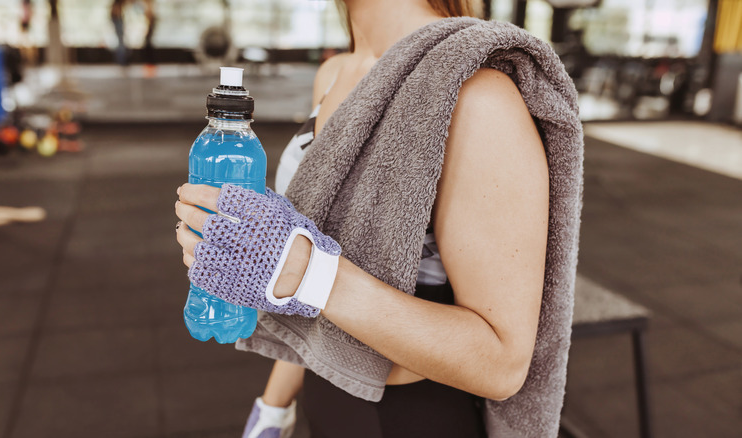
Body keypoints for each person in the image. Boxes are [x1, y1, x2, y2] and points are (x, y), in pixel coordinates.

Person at [174, 1, 584, 437]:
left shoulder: (479, 95)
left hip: (410, 418)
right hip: (326, 394)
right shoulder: (334, 75)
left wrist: (307, 271)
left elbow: (501, 365)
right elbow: (307, 286)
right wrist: (273, 407)